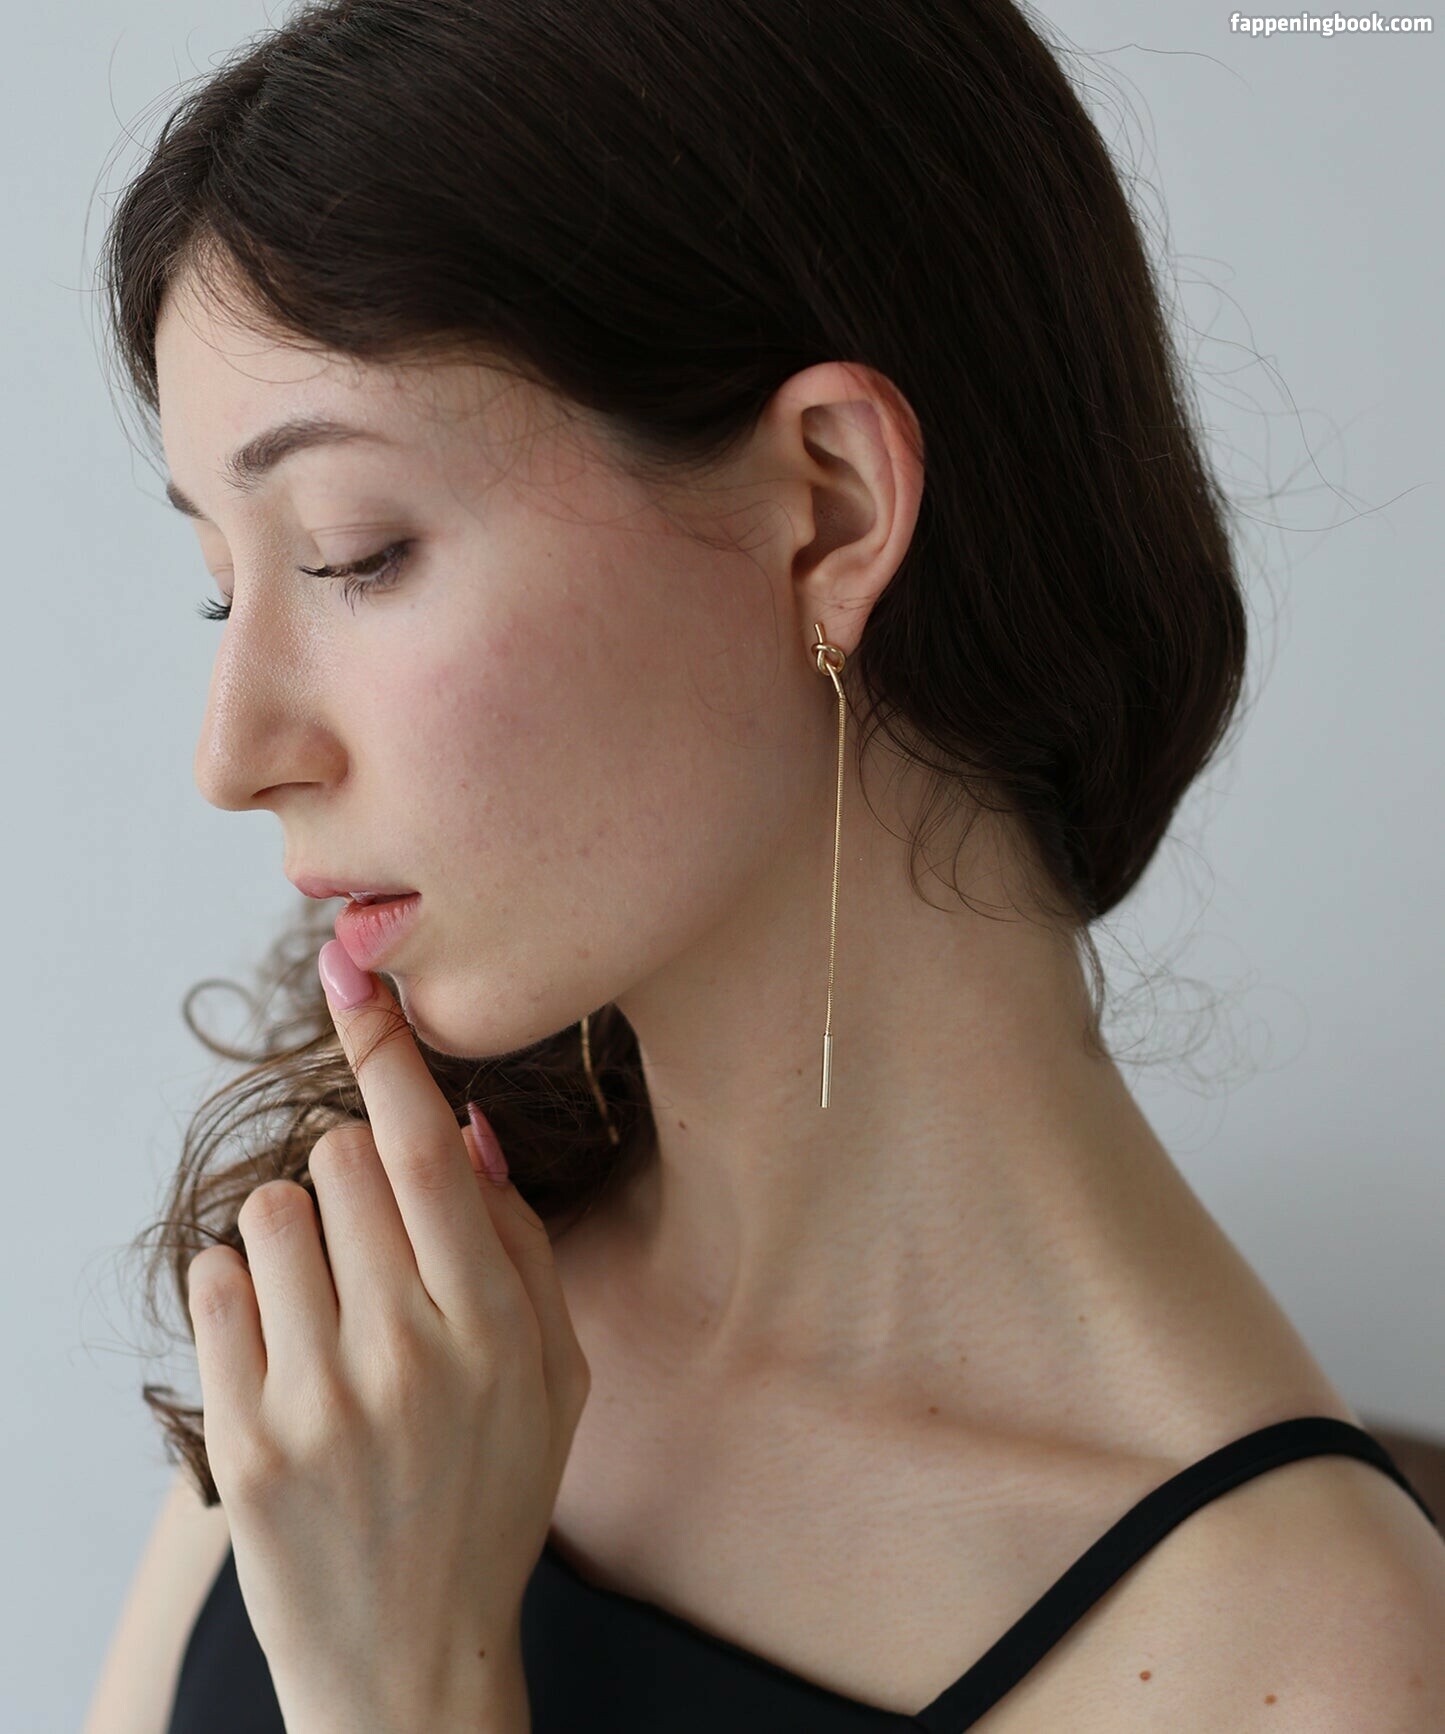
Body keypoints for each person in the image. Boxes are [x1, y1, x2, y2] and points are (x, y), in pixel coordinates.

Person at [95, 1, 1444, 1728]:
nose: (231, 754)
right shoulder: (389, 1315)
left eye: (355, 553)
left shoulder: (1308, 1666)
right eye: (223, 587)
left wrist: (404, 1685)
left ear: (828, 506)